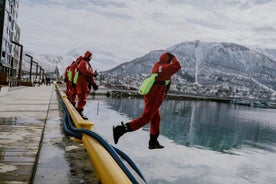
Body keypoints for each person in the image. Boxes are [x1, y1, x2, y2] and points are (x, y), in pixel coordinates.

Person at [113, 52, 181, 149]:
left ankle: (153, 142)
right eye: (169, 61)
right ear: (168, 60)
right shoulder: (164, 68)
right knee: (146, 118)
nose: (170, 62)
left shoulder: (158, 66)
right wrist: (174, 57)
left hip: (154, 93)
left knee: (156, 118)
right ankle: (121, 129)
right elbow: (178, 66)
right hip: (155, 94)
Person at [75, 51, 98, 120]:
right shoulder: (83, 63)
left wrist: (94, 83)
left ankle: (79, 109)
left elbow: (89, 74)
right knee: (82, 96)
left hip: (85, 82)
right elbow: (86, 72)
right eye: (90, 56)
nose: (91, 58)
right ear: (88, 56)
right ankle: (79, 110)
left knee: (83, 96)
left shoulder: (86, 63)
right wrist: (93, 74)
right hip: (82, 82)